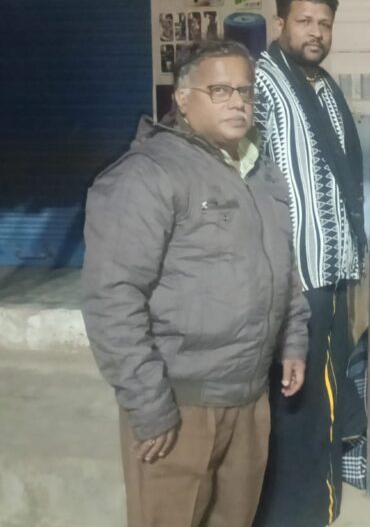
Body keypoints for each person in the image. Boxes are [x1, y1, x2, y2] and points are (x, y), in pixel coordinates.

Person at [81, 40, 310, 527]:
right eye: (220, 90)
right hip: (180, 401)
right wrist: (149, 404)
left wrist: (293, 339)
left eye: (245, 90)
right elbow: (111, 297)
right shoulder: (148, 175)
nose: (238, 102)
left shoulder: (259, 170)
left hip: (249, 396)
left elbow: (282, 266)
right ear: (183, 99)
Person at [253, 0, 367, 527]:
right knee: (301, 401)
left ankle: (312, 503)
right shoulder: (262, 85)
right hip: (298, 275)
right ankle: (300, 513)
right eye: (304, 21)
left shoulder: (321, 85)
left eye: (324, 23)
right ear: (280, 23)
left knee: (324, 393)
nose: (315, 32)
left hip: (332, 269)